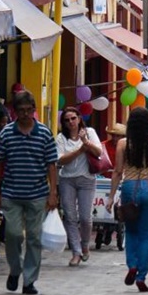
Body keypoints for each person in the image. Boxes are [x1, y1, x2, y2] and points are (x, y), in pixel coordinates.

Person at [0, 90, 59, 295]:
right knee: (12, 235)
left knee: (34, 237)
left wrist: (53, 192)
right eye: (21, 110)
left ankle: (29, 280)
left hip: (37, 193)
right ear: (15, 112)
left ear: (34, 110)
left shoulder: (44, 133)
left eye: (29, 110)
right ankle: (15, 269)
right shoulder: (7, 133)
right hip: (11, 192)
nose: (25, 114)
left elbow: (51, 165)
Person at [105, 107, 148, 292]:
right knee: (145, 235)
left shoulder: (123, 144)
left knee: (131, 232)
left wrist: (111, 197)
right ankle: (141, 275)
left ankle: (132, 265)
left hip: (130, 187)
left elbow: (118, 171)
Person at [55, 106, 104, 267]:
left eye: (73, 118)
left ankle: (84, 245)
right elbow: (60, 160)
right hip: (67, 179)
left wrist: (85, 142)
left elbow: (98, 152)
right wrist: (79, 150)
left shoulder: (89, 132)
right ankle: (75, 252)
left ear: (79, 118)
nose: (71, 122)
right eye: (67, 120)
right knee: (70, 216)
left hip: (87, 179)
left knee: (85, 217)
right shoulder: (61, 138)